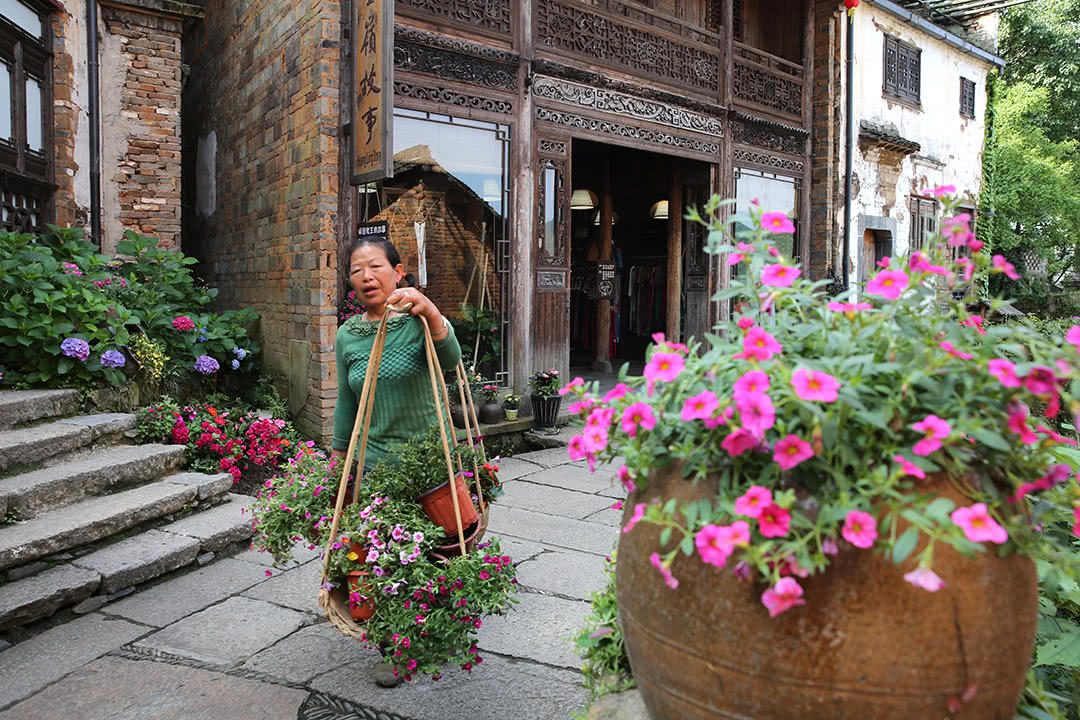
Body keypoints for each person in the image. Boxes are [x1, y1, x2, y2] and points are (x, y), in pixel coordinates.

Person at [331, 233, 460, 687]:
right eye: (356, 270)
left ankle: (440, 623)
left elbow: (451, 358)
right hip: (376, 462)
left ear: (398, 270)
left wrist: (430, 310)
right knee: (382, 556)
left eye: (375, 267)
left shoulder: (417, 320)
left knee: (441, 549)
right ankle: (394, 641)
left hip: (427, 457)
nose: (366, 277)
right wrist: (338, 456)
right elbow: (348, 402)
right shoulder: (348, 334)